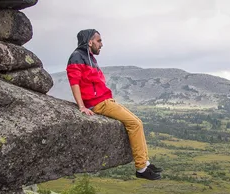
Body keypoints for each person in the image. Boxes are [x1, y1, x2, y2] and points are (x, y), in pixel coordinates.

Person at [66, 29, 162, 180]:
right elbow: (74, 82)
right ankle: (141, 168)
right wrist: (82, 106)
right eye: (99, 41)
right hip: (98, 103)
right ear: (90, 42)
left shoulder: (89, 57)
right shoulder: (77, 56)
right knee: (135, 124)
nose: (101, 44)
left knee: (138, 122)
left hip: (105, 100)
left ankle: (145, 162)